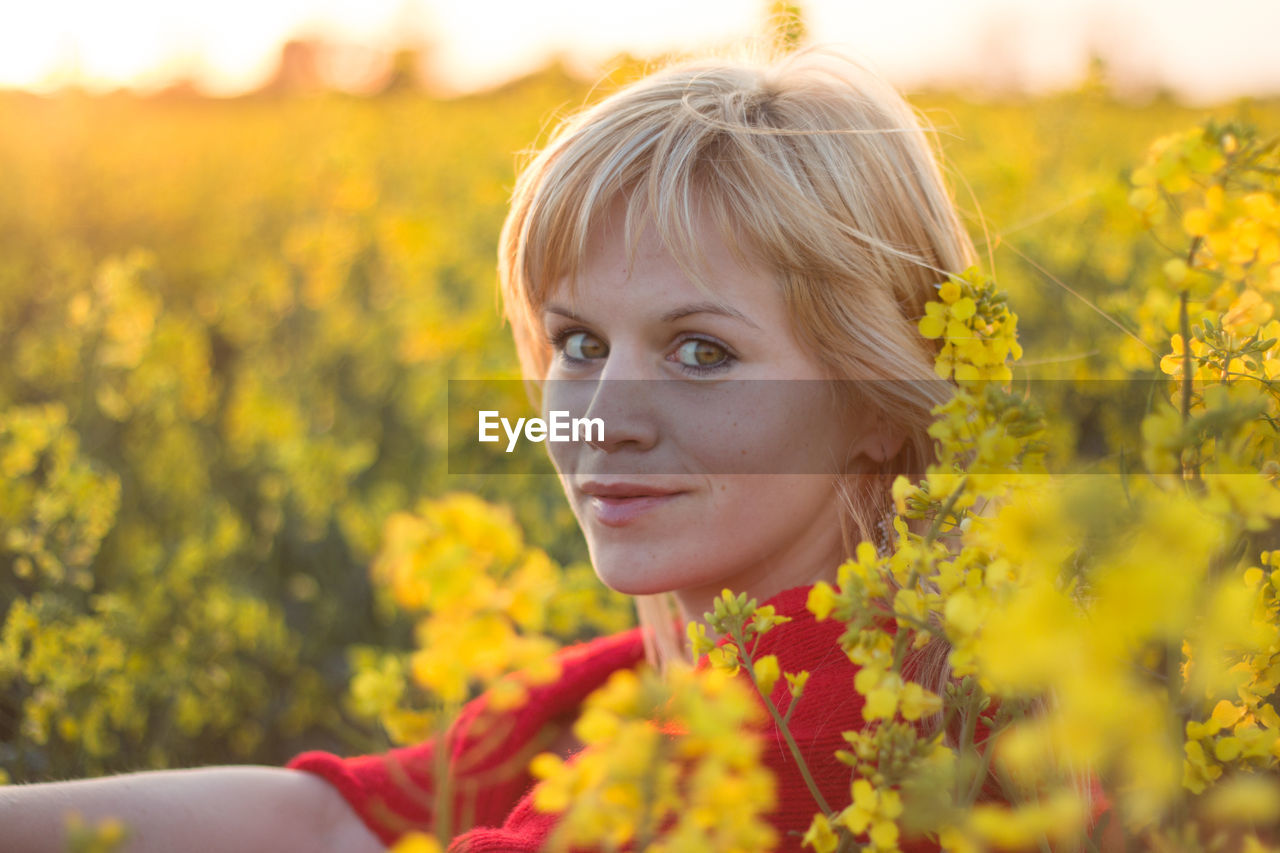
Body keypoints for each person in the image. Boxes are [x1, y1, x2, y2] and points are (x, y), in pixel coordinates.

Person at [1, 47, 987, 852]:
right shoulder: (642, 682)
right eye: (578, 343)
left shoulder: (809, 750)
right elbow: (329, 820)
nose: (599, 416)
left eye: (701, 351)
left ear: (877, 404)